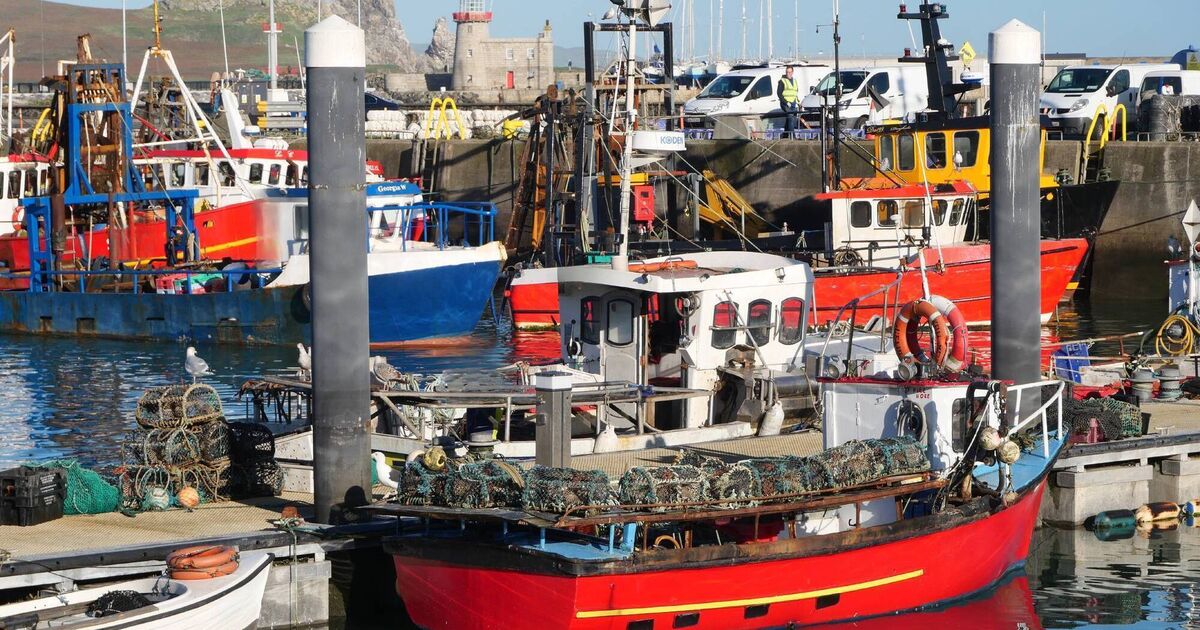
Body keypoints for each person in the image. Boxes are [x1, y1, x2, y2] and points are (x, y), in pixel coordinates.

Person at [777, 66, 801, 137]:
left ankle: (785, 135)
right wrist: (785, 102)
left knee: (790, 119)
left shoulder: (795, 81)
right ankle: (792, 136)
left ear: (792, 72)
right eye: (787, 72)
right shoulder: (782, 81)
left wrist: (798, 103)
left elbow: (795, 93)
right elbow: (779, 93)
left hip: (793, 103)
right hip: (785, 103)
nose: (788, 73)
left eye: (790, 72)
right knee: (790, 117)